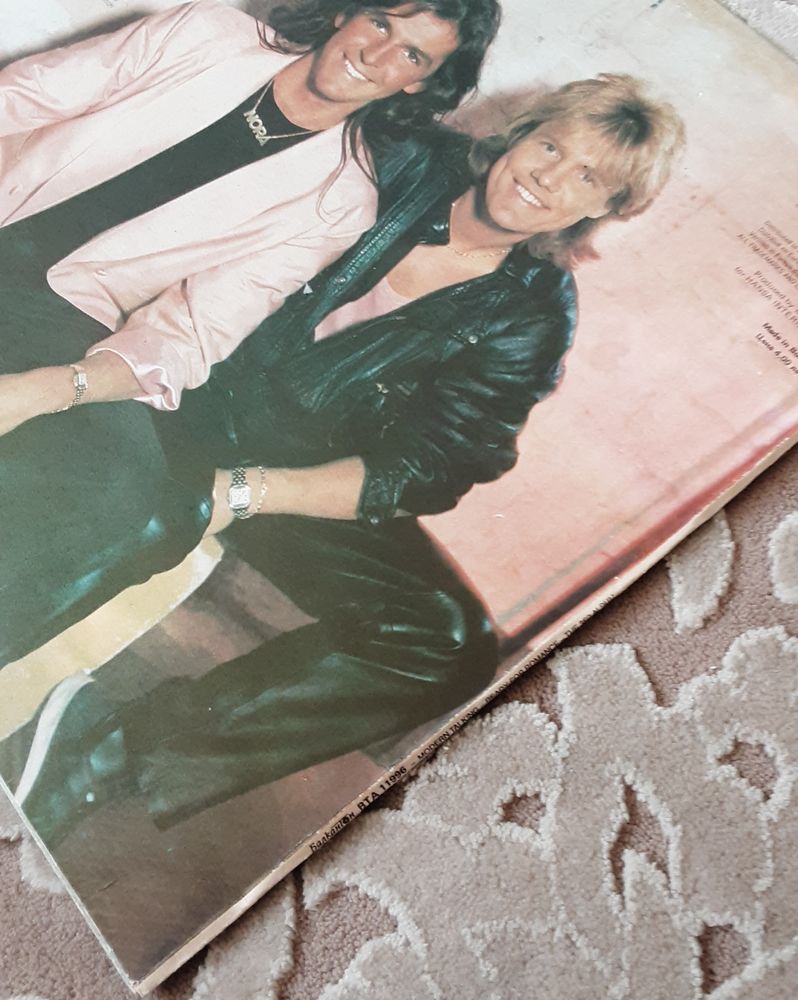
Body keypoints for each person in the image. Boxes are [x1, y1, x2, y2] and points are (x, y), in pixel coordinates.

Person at [13, 75, 686, 847]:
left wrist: (242, 492)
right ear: (521, 134)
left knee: (449, 641)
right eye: (551, 146)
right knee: (153, 512)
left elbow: (433, 463)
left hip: (292, 468)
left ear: (604, 209)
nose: (548, 177)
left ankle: (105, 749)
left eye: (588, 177)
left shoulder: (532, 317)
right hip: (185, 381)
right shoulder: (399, 159)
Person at [0, 0, 501, 660]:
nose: (377, 54)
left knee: (119, 483)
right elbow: (22, 97)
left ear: (419, 84)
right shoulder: (208, 33)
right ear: (345, 14)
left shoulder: (339, 202)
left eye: (412, 54)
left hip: (60, 310)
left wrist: (47, 389)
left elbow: (192, 331)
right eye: (380, 22)